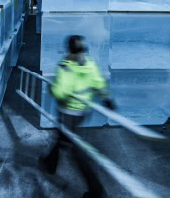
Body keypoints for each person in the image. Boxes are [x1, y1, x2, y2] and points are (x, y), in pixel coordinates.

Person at [39, 35, 115, 198]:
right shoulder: (89, 64)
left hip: (68, 114)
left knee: (75, 151)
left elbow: (60, 92)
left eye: (80, 52)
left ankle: (96, 190)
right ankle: (50, 163)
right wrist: (105, 97)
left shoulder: (66, 67)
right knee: (61, 138)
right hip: (82, 112)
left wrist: (52, 89)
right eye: (78, 52)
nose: (80, 55)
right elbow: (98, 82)